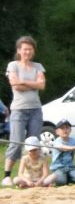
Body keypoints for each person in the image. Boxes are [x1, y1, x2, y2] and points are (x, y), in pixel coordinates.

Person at [3, 36, 46, 187]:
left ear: (33, 50)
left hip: (35, 109)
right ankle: (7, 175)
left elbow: (42, 85)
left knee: (34, 142)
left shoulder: (38, 66)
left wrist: (24, 82)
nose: (27, 51)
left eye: (30, 49)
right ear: (19, 50)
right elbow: (15, 85)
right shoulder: (13, 65)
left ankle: (35, 176)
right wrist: (33, 84)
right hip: (19, 109)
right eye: (24, 49)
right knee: (16, 141)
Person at [44, 120, 75, 187]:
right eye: (62, 128)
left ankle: (68, 177)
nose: (65, 130)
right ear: (57, 132)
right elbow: (63, 148)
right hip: (59, 168)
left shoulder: (73, 140)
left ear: (70, 130)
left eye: (67, 128)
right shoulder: (56, 142)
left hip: (71, 167)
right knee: (61, 182)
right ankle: (59, 178)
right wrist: (73, 147)